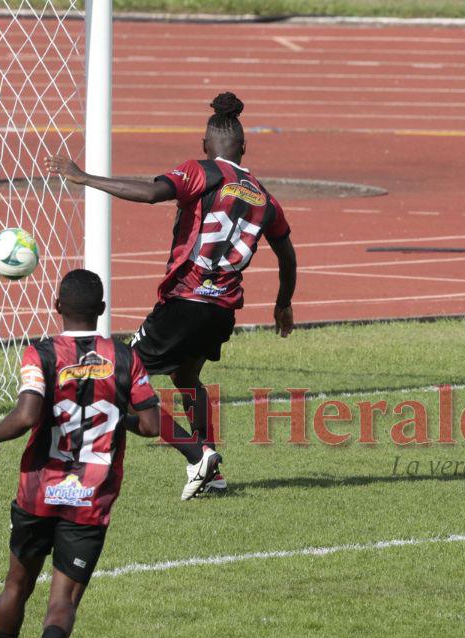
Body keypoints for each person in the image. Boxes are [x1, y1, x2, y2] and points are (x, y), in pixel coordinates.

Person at [45, 92, 297, 500]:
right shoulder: (264, 196)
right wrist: (283, 303)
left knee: (115, 382)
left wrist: (85, 177)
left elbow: (150, 192)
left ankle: (196, 454)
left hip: (186, 302)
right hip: (222, 311)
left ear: (204, 145)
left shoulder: (201, 172)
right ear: (244, 148)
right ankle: (211, 472)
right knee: (186, 377)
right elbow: (287, 255)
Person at [0, 270, 160, 638]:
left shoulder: (40, 352)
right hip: (89, 498)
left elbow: (26, 415)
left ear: (58, 305)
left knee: (16, 584)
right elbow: (153, 425)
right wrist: (119, 421)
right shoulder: (124, 358)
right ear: (100, 311)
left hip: (37, 493)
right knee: (63, 599)